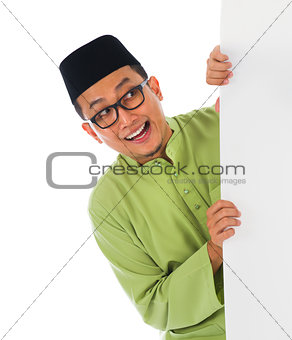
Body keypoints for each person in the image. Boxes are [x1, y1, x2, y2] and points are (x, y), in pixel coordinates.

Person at [59, 35, 241, 340]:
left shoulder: (223, 123)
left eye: (130, 94)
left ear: (154, 88)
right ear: (91, 133)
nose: (126, 119)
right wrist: (214, 251)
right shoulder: (107, 205)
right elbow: (156, 309)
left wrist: (242, 64)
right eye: (103, 113)